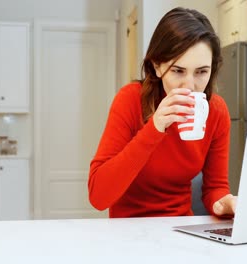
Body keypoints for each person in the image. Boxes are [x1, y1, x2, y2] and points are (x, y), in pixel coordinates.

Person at [88, 7, 236, 218]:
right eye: (178, 71)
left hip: (180, 228)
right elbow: (98, 196)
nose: (190, 85)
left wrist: (226, 203)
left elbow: (215, 188)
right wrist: (155, 128)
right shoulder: (130, 100)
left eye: (202, 72)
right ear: (157, 66)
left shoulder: (216, 111)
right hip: (127, 232)